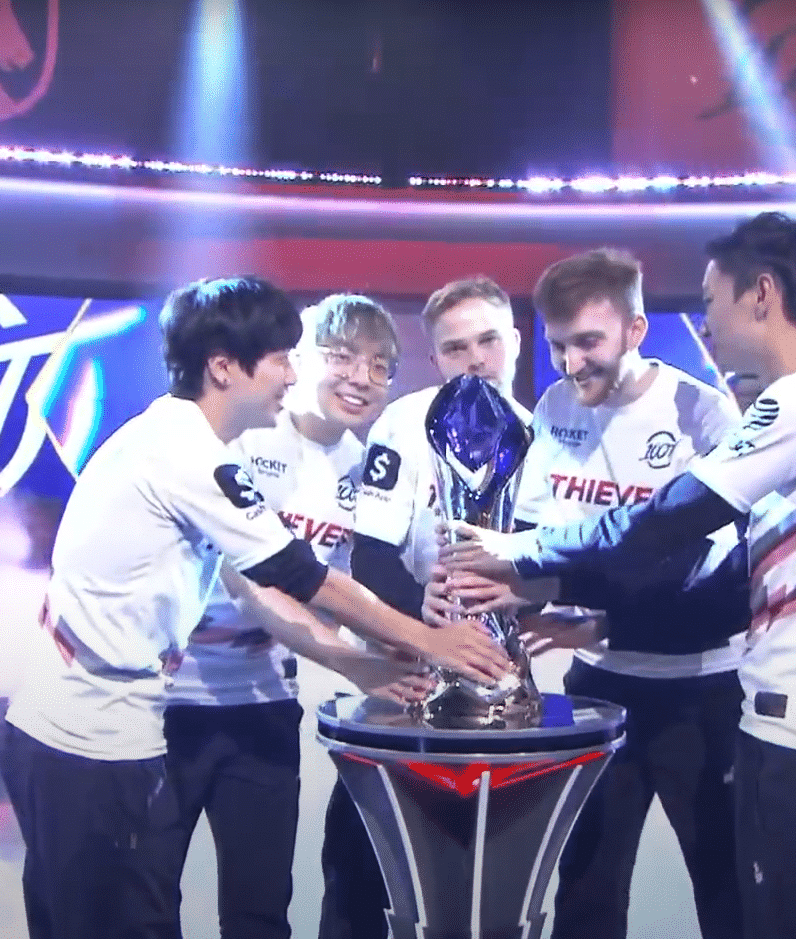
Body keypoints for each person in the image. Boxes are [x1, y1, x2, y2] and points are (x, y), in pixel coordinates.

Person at [440, 214, 796, 939]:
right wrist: (575, 606)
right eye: (557, 345)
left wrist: (522, 553)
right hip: (786, 715)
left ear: (761, 294)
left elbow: (667, 527)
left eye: (712, 301)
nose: (707, 322)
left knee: (768, 909)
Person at [1, 277, 509, 939]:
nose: (292, 375)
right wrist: (422, 642)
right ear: (223, 366)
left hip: (152, 716)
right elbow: (291, 574)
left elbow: (349, 576)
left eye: (380, 364)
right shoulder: (196, 453)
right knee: (122, 918)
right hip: (94, 726)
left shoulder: (206, 439)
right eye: (285, 358)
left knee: (228, 914)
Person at [432, 248, 745, 939]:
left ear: (636, 330)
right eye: (557, 345)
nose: (571, 363)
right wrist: (491, 595)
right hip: (596, 689)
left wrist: (585, 609)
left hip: (700, 692)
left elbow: (702, 576)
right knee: (585, 890)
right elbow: (536, 540)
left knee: (725, 886)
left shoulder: (704, 415)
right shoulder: (552, 407)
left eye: (588, 342)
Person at [161, 294, 408, 939]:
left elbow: (353, 591)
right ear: (299, 359)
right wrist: (356, 662)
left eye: (379, 365)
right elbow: (248, 580)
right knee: (146, 903)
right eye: (342, 357)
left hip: (265, 704)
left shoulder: (367, 471)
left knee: (260, 912)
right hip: (169, 703)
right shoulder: (243, 430)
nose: (360, 378)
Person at [319, 275, 527, 939]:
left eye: (488, 341)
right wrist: (427, 621)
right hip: (407, 685)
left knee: (475, 886)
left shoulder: (539, 432)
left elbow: (551, 563)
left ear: (514, 341)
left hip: (498, 695)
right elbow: (372, 559)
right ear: (435, 357)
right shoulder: (405, 424)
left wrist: (526, 595)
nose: (475, 360)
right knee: (361, 876)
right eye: (456, 348)